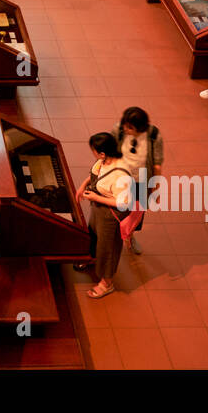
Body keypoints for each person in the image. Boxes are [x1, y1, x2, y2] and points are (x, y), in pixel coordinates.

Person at [74, 132, 134, 299]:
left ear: (102, 153)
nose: (92, 153)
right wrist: (82, 186)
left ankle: (106, 283)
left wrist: (94, 197)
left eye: (93, 150)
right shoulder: (104, 161)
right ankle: (93, 258)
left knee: (107, 248)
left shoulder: (121, 175)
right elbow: (96, 174)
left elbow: (122, 203)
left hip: (110, 215)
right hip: (98, 209)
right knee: (93, 235)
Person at [115, 107, 163, 256]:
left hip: (141, 180)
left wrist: (155, 185)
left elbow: (157, 162)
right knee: (115, 209)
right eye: (125, 125)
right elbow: (109, 152)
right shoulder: (119, 130)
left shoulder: (153, 135)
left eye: (131, 127)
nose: (126, 129)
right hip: (119, 179)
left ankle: (130, 235)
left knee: (136, 212)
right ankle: (113, 237)